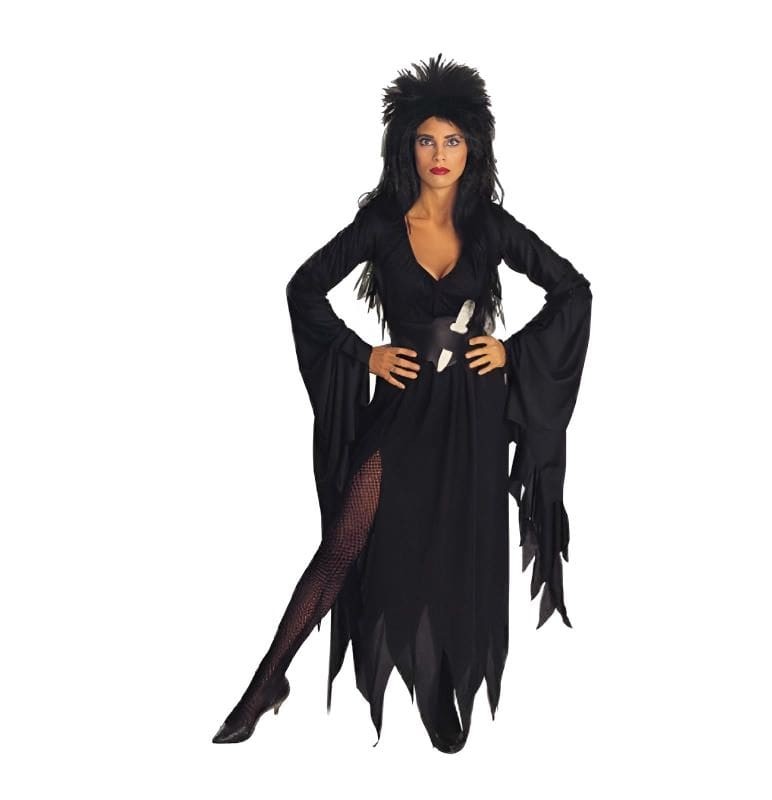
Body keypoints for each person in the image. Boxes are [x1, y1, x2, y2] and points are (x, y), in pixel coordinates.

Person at [212, 53, 593, 754]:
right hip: (402, 409)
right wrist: (364, 355)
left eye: (453, 140)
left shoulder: (490, 225)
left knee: (456, 545)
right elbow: (303, 288)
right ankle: (267, 680)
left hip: (473, 415)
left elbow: (573, 289)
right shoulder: (382, 225)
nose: (439, 154)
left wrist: (512, 350)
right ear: (406, 146)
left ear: (472, 147)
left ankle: (443, 682)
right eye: (426, 140)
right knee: (345, 540)